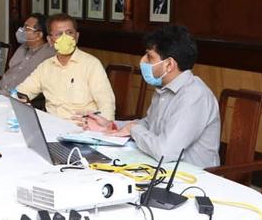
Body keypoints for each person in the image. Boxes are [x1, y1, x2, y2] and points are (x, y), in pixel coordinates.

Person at [80, 26, 220, 169]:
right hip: (162, 170)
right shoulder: (164, 88)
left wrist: (133, 129)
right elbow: (148, 125)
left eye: (150, 57)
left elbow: (165, 152)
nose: (142, 61)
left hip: (195, 181)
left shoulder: (194, 96)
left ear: (169, 64)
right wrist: (112, 125)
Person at [16, 14, 115, 120]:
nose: (65, 38)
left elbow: (107, 105)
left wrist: (103, 126)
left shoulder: (91, 65)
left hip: (82, 129)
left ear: (76, 37)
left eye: (69, 33)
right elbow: (22, 91)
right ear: (50, 40)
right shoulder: (45, 67)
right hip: (52, 126)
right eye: (58, 34)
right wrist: (22, 100)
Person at [0, 14, 54, 93]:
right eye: (23, 26)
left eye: (26, 28)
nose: (21, 30)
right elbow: (11, 71)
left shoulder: (48, 55)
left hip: (17, 98)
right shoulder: (22, 47)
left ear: (39, 35)